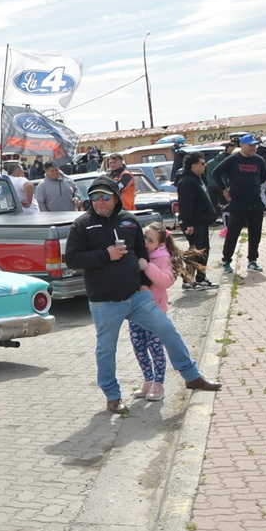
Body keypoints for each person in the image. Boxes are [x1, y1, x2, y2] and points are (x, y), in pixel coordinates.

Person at [64, 175, 221, 414]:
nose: (99, 201)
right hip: (105, 302)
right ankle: (112, 396)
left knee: (168, 331)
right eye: (94, 197)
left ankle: (191, 376)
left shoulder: (129, 220)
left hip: (137, 297)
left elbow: (142, 255)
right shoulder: (82, 224)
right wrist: (105, 255)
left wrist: (145, 284)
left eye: (104, 197)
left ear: (115, 198)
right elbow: (73, 259)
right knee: (106, 349)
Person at [131, 223, 184, 401]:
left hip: (155, 312)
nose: (146, 242)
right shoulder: (138, 253)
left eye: (151, 240)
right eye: (144, 237)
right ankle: (147, 380)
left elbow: (166, 281)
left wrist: (147, 267)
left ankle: (159, 385)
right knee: (139, 347)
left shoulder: (162, 258)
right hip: (136, 311)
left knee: (155, 348)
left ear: (160, 244)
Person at [211, 133, 266, 274]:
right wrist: (225, 190)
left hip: (255, 201)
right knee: (233, 232)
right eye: (250, 145)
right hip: (238, 202)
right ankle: (226, 260)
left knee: (255, 232)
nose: (253, 148)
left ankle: (252, 260)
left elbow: (264, 176)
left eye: (255, 145)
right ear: (242, 146)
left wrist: (253, 186)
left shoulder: (259, 160)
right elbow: (215, 173)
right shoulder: (233, 160)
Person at [175, 153, 219, 290]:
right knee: (195, 252)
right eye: (202, 163)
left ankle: (201, 278)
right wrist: (189, 224)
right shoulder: (187, 181)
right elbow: (186, 204)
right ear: (193, 166)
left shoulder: (197, 179)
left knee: (203, 251)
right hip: (194, 223)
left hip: (202, 222)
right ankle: (188, 280)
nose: (205, 166)